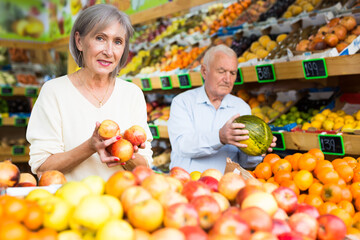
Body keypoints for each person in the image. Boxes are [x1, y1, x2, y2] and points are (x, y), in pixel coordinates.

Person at [26, 4, 153, 181]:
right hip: (70, 203)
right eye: (100, 38)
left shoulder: (132, 94)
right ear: (79, 41)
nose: (109, 52)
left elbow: (145, 166)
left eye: (117, 41)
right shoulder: (54, 92)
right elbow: (42, 165)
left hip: (122, 202)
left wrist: (124, 151)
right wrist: (90, 146)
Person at [168, 44, 276, 174]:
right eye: (221, 71)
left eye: (232, 73)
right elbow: (182, 146)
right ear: (204, 71)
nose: (227, 79)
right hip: (187, 182)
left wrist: (259, 150)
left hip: (226, 186)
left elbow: (245, 162)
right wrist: (219, 137)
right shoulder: (183, 102)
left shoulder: (241, 107)